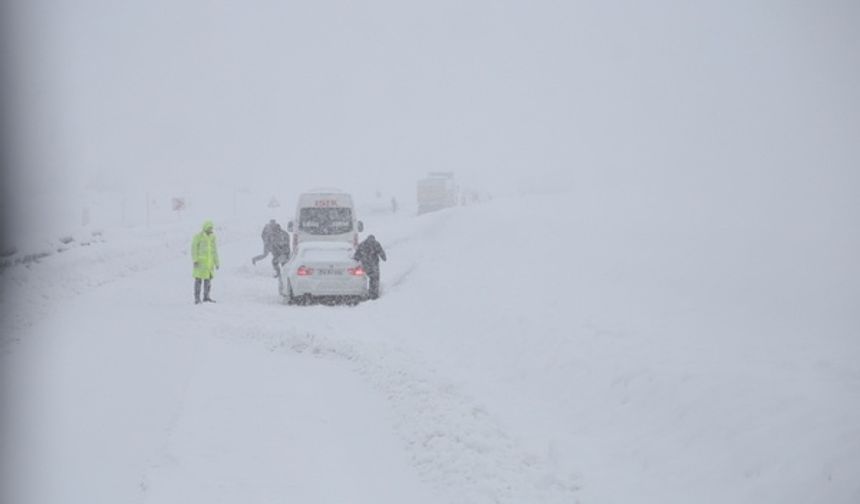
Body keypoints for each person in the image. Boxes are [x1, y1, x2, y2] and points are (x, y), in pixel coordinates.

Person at [192, 220, 219, 304]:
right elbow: (194, 249)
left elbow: (214, 251)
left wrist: (217, 262)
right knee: (198, 281)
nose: (211, 230)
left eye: (211, 228)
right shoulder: (198, 237)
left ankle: (206, 297)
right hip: (200, 264)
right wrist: (195, 260)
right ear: (205, 228)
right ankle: (197, 298)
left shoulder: (213, 238)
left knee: (208, 282)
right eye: (209, 228)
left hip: (209, 264)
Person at [353, 234, 387, 299]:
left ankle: (363, 293)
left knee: (363, 279)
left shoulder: (362, 244)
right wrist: (384, 258)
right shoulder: (376, 244)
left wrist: (357, 260)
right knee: (374, 279)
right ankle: (374, 295)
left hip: (365, 266)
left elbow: (356, 256)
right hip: (374, 265)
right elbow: (381, 253)